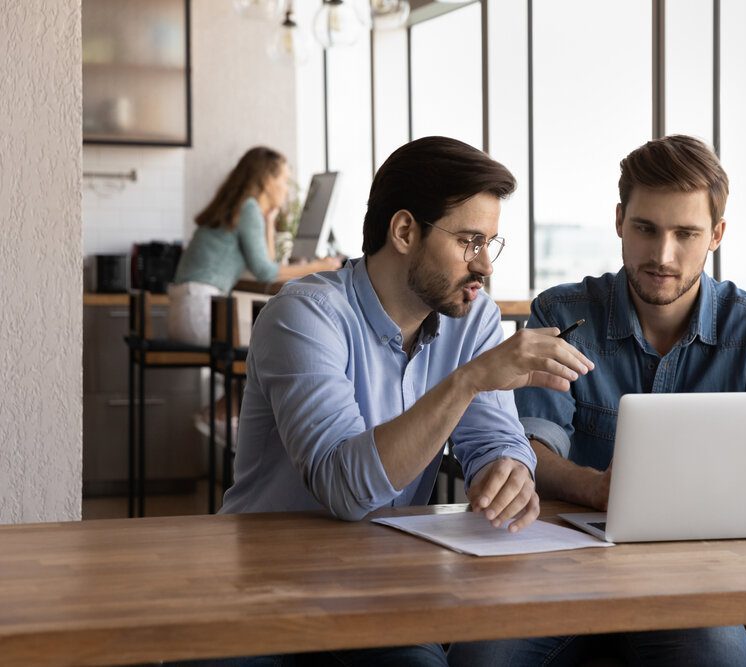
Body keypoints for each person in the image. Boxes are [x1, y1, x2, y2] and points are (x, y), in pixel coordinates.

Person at [447, 134, 746, 666]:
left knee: (719, 659)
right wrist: (597, 489)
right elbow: (529, 449)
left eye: (685, 233)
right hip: (563, 571)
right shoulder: (565, 312)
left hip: (701, 580)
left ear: (716, 234)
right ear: (620, 220)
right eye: (646, 229)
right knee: (483, 659)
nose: (662, 255)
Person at [217, 136, 594, 666]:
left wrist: (509, 470)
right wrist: (468, 380)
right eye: (469, 242)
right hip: (262, 587)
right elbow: (345, 491)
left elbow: (494, 438)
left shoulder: (473, 317)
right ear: (404, 231)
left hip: (383, 584)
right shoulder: (302, 316)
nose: (484, 265)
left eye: (491, 243)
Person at [168, 146, 341, 346]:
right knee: (278, 342)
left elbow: (266, 264)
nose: (286, 189)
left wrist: (268, 222)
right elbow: (265, 272)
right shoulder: (248, 208)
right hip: (200, 313)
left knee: (270, 338)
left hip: (187, 310)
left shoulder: (241, 207)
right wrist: (319, 268)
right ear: (267, 181)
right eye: (284, 180)